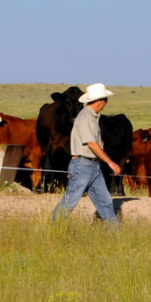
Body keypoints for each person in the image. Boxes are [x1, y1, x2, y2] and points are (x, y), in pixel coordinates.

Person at [52, 83, 122, 225]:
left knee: (105, 201)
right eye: (106, 100)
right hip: (83, 165)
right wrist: (110, 162)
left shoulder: (91, 117)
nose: (106, 103)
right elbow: (91, 143)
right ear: (100, 101)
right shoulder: (86, 118)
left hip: (92, 166)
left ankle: (116, 236)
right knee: (70, 200)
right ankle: (53, 230)